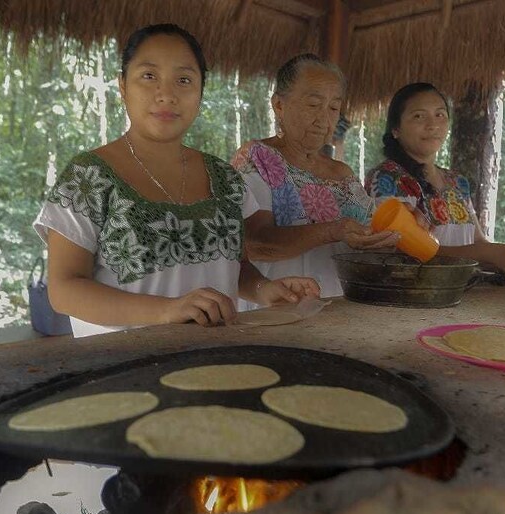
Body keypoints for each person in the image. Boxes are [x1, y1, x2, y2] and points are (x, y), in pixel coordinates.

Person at [34, 24, 318, 337]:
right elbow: (64, 289)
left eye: (184, 80)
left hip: (216, 364)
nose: (166, 94)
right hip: (122, 372)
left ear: (199, 93)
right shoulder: (87, 178)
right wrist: (167, 310)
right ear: (122, 86)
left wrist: (264, 289)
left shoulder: (225, 178)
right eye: (149, 76)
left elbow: (230, 267)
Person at [233, 54, 399, 301]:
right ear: (279, 105)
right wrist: (334, 231)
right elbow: (254, 243)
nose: (324, 119)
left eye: (333, 108)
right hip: (280, 310)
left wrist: (400, 226)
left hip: (340, 308)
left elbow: (369, 233)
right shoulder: (257, 159)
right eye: (313, 104)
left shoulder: (342, 173)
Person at [365, 82, 505, 282]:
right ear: (396, 129)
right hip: (412, 298)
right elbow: (407, 252)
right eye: (418, 116)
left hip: (460, 296)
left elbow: (477, 243)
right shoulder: (388, 178)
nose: (432, 125)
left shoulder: (456, 182)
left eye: (440, 114)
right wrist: (495, 254)